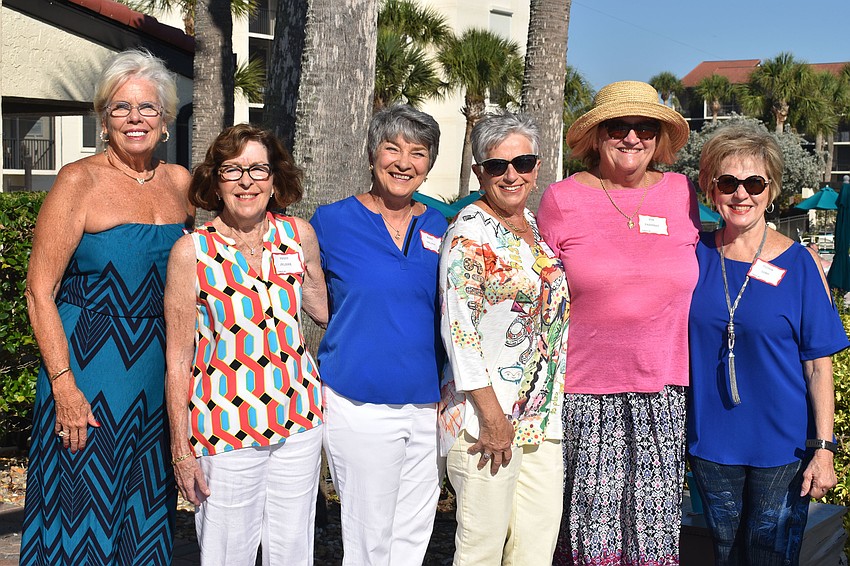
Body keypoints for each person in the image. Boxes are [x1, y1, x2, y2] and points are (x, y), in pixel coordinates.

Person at [20, 49, 192, 565]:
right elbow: (38, 291)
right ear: (103, 118)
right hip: (87, 370)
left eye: (147, 108)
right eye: (121, 108)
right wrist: (63, 386)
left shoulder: (182, 184)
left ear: (165, 120)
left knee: (143, 511)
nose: (134, 119)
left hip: (156, 375)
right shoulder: (80, 181)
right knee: (81, 510)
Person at [537, 80, 699, 565]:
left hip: (664, 393)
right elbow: (534, 290)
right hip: (586, 392)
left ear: (659, 137)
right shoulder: (561, 199)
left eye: (644, 127)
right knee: (595, 531)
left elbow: (728, 241)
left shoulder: (681, 193)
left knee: (654, 534)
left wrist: (792, 262)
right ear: (597, 135)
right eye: (618, 127)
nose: (632, 137)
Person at [164, 124, 326, 565]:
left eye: (258, 169)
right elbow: (177, 359)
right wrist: (182, 450)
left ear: (275, 179)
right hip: (225, 425)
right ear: (215, 183)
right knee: (226, 552)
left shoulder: (298, 235)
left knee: (293, 550)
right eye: (232, 170)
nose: (247, 181)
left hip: (300, 418)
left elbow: (324, 312)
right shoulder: (191, 252)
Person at [687, 122, 849, 565]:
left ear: (771, 189)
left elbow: (818, 366)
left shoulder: (800, 264)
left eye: (754, 182)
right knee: (724, 553)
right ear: (710, 188)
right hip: (710, 443)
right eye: (728, 182)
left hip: (783, 448)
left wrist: (824, 449)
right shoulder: (692, 256)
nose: (742, 194)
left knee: (770, 557)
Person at [309, 104, 446, 565]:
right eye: (393, 148)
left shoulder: (443, 226)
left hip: (429, 406)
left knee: (413, 535)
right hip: (358, 403)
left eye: (418, 152)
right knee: (369, 542)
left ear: (429, 166)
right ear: (372, 155)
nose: (404, 162)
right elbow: (308, 296)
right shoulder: (330, 222)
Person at [439, 112, 570, 565]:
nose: (511, 175)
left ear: (536, 168)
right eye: (497, 166)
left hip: (541, 419)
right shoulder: (468, 232)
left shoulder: (533, 228)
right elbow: (460, 333)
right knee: (481, 551)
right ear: (479, 172)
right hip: (485, 421)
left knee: (535, 551)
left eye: (523, 162)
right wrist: (494, 420)